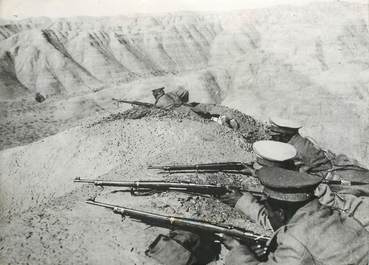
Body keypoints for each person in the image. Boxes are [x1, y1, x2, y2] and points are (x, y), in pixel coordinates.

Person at [225, 166, 369, 265]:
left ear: (281, 213)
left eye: (268, 212)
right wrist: (242, 201)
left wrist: (237, 249)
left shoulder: (296, 243)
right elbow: (286, 224)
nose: (267, 216)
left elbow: (297, 241)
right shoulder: (328, 214)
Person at [221, 140, 369, 231]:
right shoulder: (307, 184)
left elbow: (281, 224)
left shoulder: (316, 196)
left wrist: (242, 201)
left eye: (263, 170)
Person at [269, 116, 369, 196]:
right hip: (330, 168)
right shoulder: (300, 140)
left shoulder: (293, 149)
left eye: (275, 135)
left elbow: (295, 173)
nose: (272, 137)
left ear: (284, 135)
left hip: (322, 177)